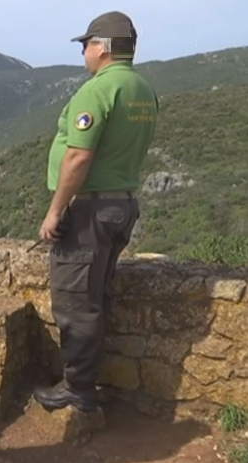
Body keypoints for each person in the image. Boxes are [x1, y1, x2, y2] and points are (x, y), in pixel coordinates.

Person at [34, 11, 158, 412]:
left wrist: (56, 211)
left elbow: (78, 157)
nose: (84, 52)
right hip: (122, 204)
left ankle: (78, 388)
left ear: (103, 48)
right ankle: (85, 379)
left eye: (86, 45)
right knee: (96, 296)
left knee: (74, 302)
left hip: (90, 210)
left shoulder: (97, 91)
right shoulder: (143, 90)